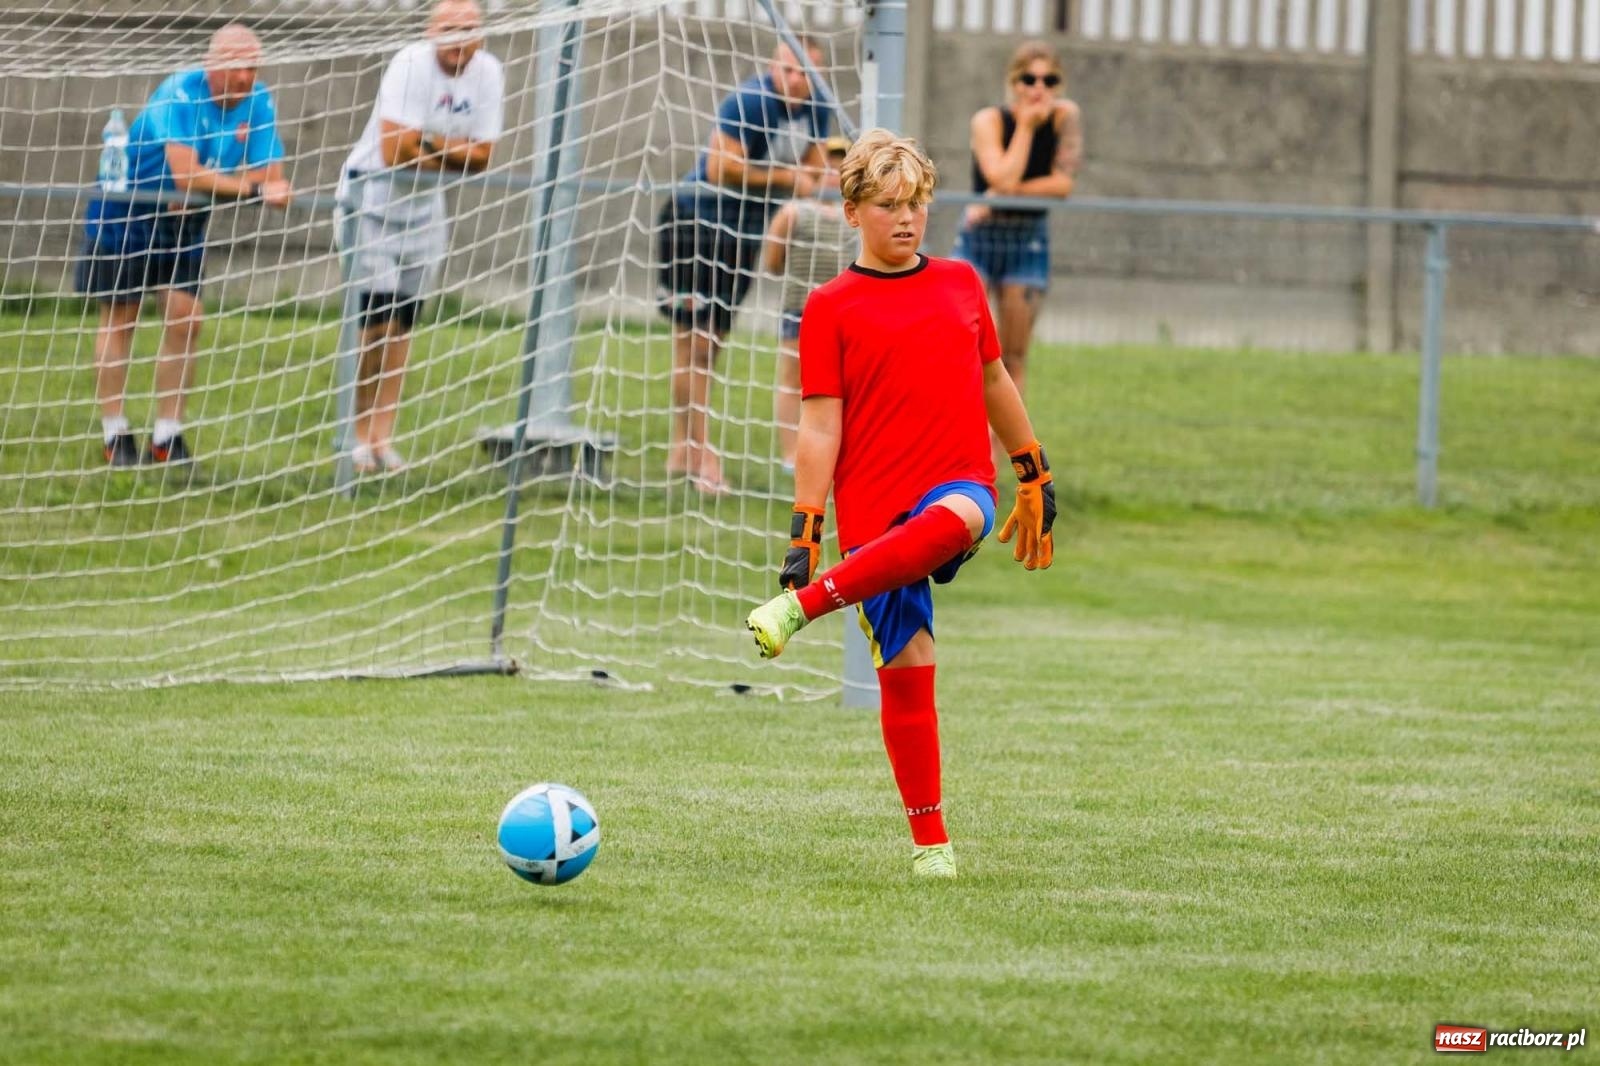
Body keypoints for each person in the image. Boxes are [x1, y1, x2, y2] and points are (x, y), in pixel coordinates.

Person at [744, 130, 1058, 880]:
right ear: (852, 212)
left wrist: (1033, 473)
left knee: (959, 519)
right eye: (888, 205)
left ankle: (805, 610)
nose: (907, 218)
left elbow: (994, 384)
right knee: (911, 667)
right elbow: (819, 424)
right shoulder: (829, 306)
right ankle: (932, 847)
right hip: (871, 515)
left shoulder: (958, 283)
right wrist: (806, 527)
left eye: (916, 202)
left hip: (958, 480)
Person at [77, 22, 292, 467]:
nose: (245, 76)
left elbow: (274, 177)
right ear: (212, 64)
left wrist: (219, 184)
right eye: (236, 66)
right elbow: (188, 174)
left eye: (253, 66)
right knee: (122, 316)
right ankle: (115, 434)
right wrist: (244, 189)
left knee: (187, 320)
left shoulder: (259, 101)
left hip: (185, 216)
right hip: (129, 206)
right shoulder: (180, 92)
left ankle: (167, 437)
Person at [657, 38, 834, 495]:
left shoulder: (819, 111)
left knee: (712, 344)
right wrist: (784, 178)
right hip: (695, 222)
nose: (796, 82)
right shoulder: (750, 102)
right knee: (693, 343)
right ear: (773, 66)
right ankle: (700, 456)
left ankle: (681, 448)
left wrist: (807, 183)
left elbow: (813, 178)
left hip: (744, 234)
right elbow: (719, 169)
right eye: (788, 70)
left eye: (806, 75)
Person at [336, 0, 503, 474]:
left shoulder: (489, 73)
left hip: (427, 209)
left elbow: (483, 156)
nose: (458, 39)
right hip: (370, 201)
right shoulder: (410, 64)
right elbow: (393, 151)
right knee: (375, 322)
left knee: (404, 326)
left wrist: (426, 144)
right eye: (448, 29)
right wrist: (452, 152)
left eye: (468, 29)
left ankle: (381, 438)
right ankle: (355, 435)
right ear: (432, 31)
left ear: (482, 35)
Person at [952, 40, 1081, 401]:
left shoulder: (1064, 117)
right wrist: (1025, 126)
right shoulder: (989, 120)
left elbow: (1063, 184)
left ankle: (1005, 450)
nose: (1039, 89)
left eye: (1049, 80)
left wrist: (999, 197)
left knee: (1013, 358)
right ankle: (969, 443)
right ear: (1013, 81)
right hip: (980, 237)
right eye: (1029, 79)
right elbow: (1001, 178)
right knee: (969, 350)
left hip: (1027, 239)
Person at [761, 133, 855, 472]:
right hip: (800, 307)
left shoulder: (853, 217)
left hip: (843, 313)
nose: (833, 171)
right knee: (793, 378)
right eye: (827, 164)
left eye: (840, 165)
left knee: (840, 385)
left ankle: (836, 452)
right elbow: (773, 260)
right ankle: (791, 453)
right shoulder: (793, 212)